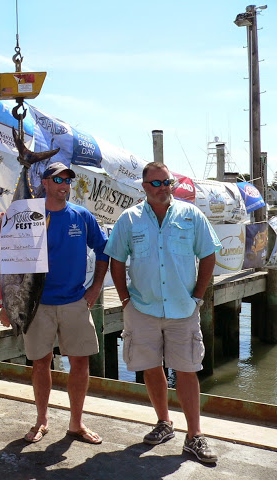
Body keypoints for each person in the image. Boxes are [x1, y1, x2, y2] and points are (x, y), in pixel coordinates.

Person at [104, 161, 221, 464]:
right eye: (155, 183)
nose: (162, 188)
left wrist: (198, 296)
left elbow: (209, 254)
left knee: (187, 369)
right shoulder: (129, 219)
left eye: (167, 182)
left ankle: (194, 435)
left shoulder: (191, 215)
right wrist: (125, 299)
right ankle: (163, 422)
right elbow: (117, 260)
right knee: (150, 366)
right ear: (144, 187)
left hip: (183, 308)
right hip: (142, 308)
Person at [0, 162, 108, 445]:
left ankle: (76, 423)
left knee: (80, 362)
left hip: (74, 301)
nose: (64, 185)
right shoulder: (28, 216)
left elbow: (103, 249)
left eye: (67, 180)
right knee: (40, 363)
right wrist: (8, 303)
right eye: (57, 179)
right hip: (37, 304)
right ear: (44, 183)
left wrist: (95, 288)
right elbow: (13, 258)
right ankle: (42, 420)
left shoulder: (82, 216)